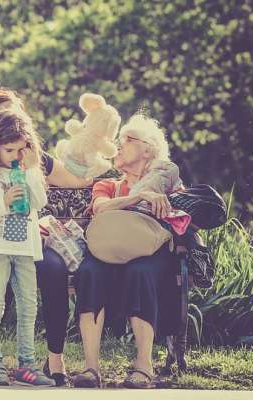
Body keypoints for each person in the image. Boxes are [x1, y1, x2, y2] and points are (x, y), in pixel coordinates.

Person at [0, 89, 92, 386]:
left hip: (25, 242)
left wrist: (106, 182)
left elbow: (67, 188)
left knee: (47, 278)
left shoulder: (32, 161)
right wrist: (4, 203)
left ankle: (44, 360)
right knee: (1, 288)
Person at [72, 113, 181, 389]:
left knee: (141, 271)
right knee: (89, 272)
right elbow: (99, 208)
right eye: (118, 140)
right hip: (108, 250)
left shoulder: (167, 181)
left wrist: (164, 199)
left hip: (150, 253)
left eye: (127, 140)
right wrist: (140, 196)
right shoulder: (108, 184)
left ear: (148, 148)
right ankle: (91, 368)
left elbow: (183, 218)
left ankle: (143, 367)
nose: (118, 145)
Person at [0, 108, 53, 386]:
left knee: (28, 306)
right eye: (9, 150)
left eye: (21, 149)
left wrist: (30, 172)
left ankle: (26, 365)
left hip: (26, 250)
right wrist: (2, 203)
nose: (15, 155)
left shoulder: (30, 173)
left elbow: (39, 202)